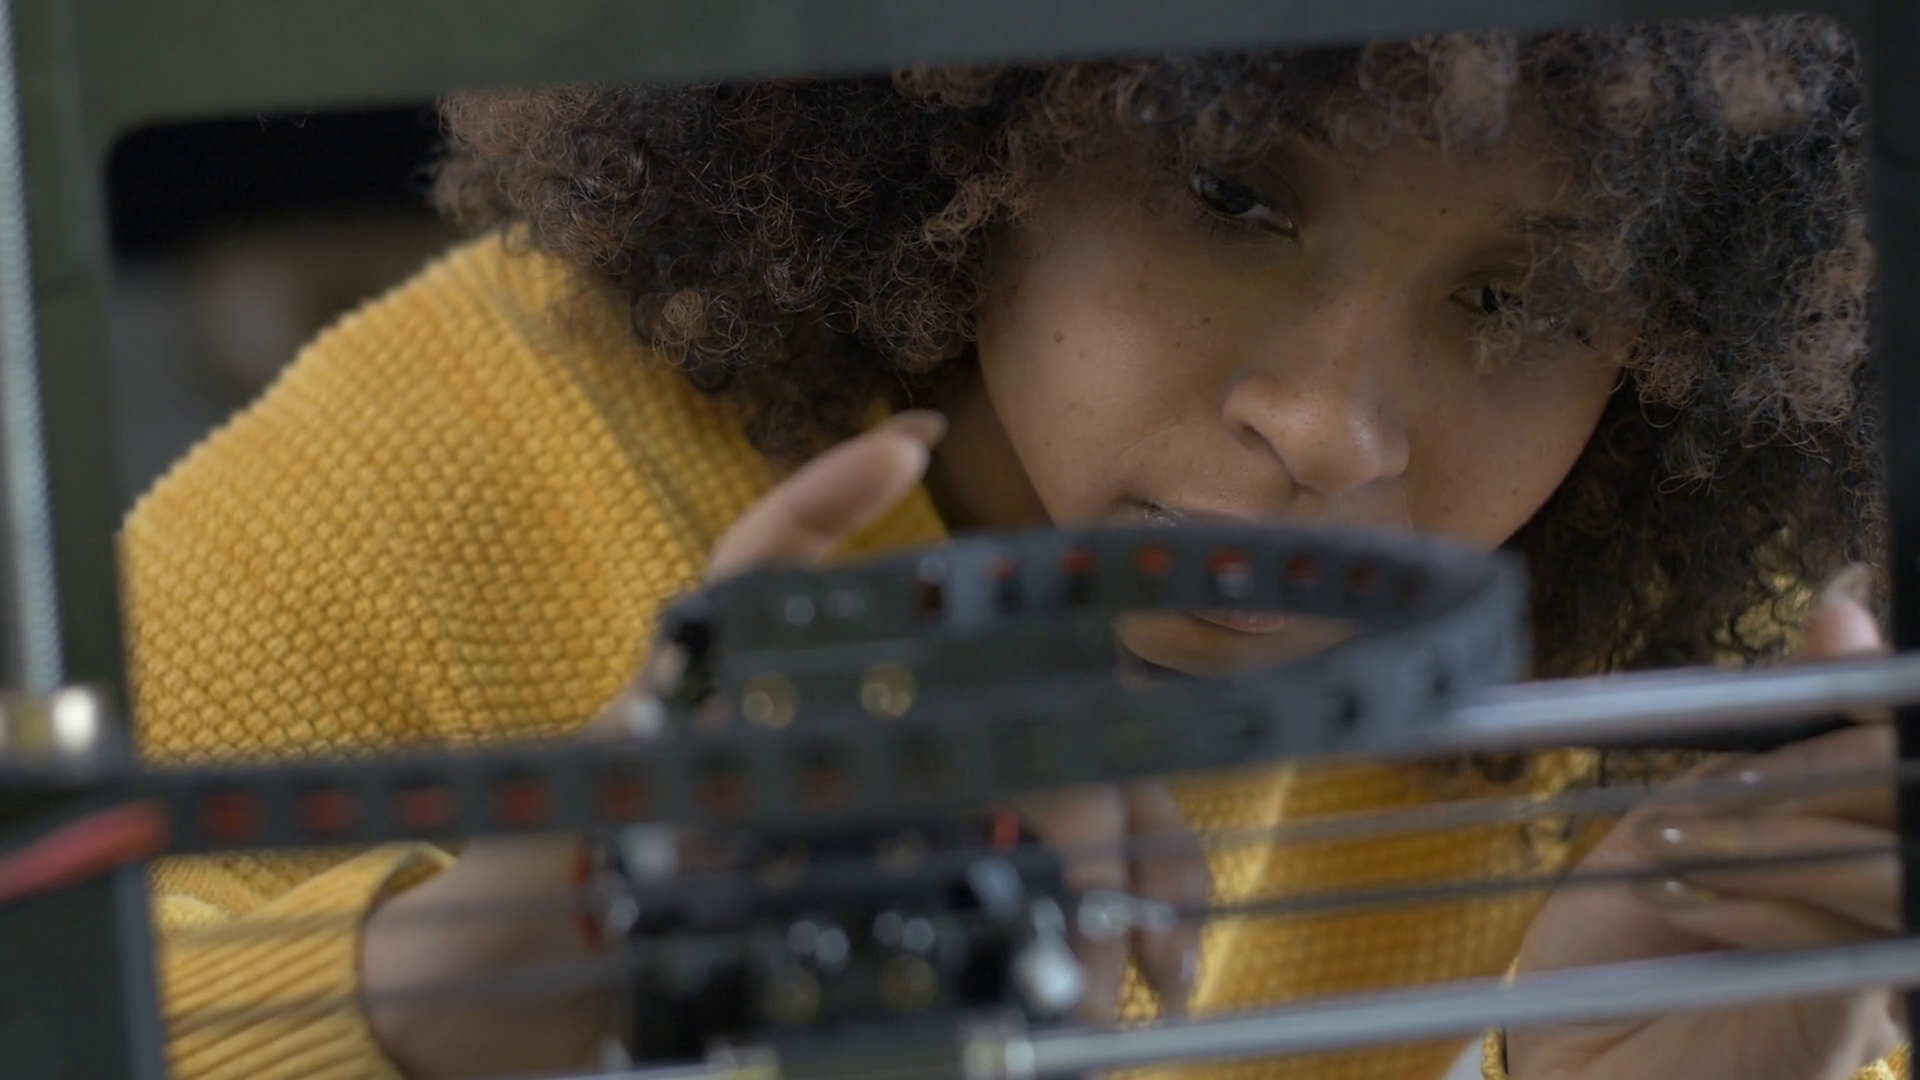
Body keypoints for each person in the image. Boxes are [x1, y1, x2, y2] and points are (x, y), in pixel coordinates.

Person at [123, 15, 1903, 1080]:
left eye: (1523, 302)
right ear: (968, 128)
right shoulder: (446, 455)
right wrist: (489, 972)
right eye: (1231, 196)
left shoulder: (1666, 682)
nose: (1334, 428)